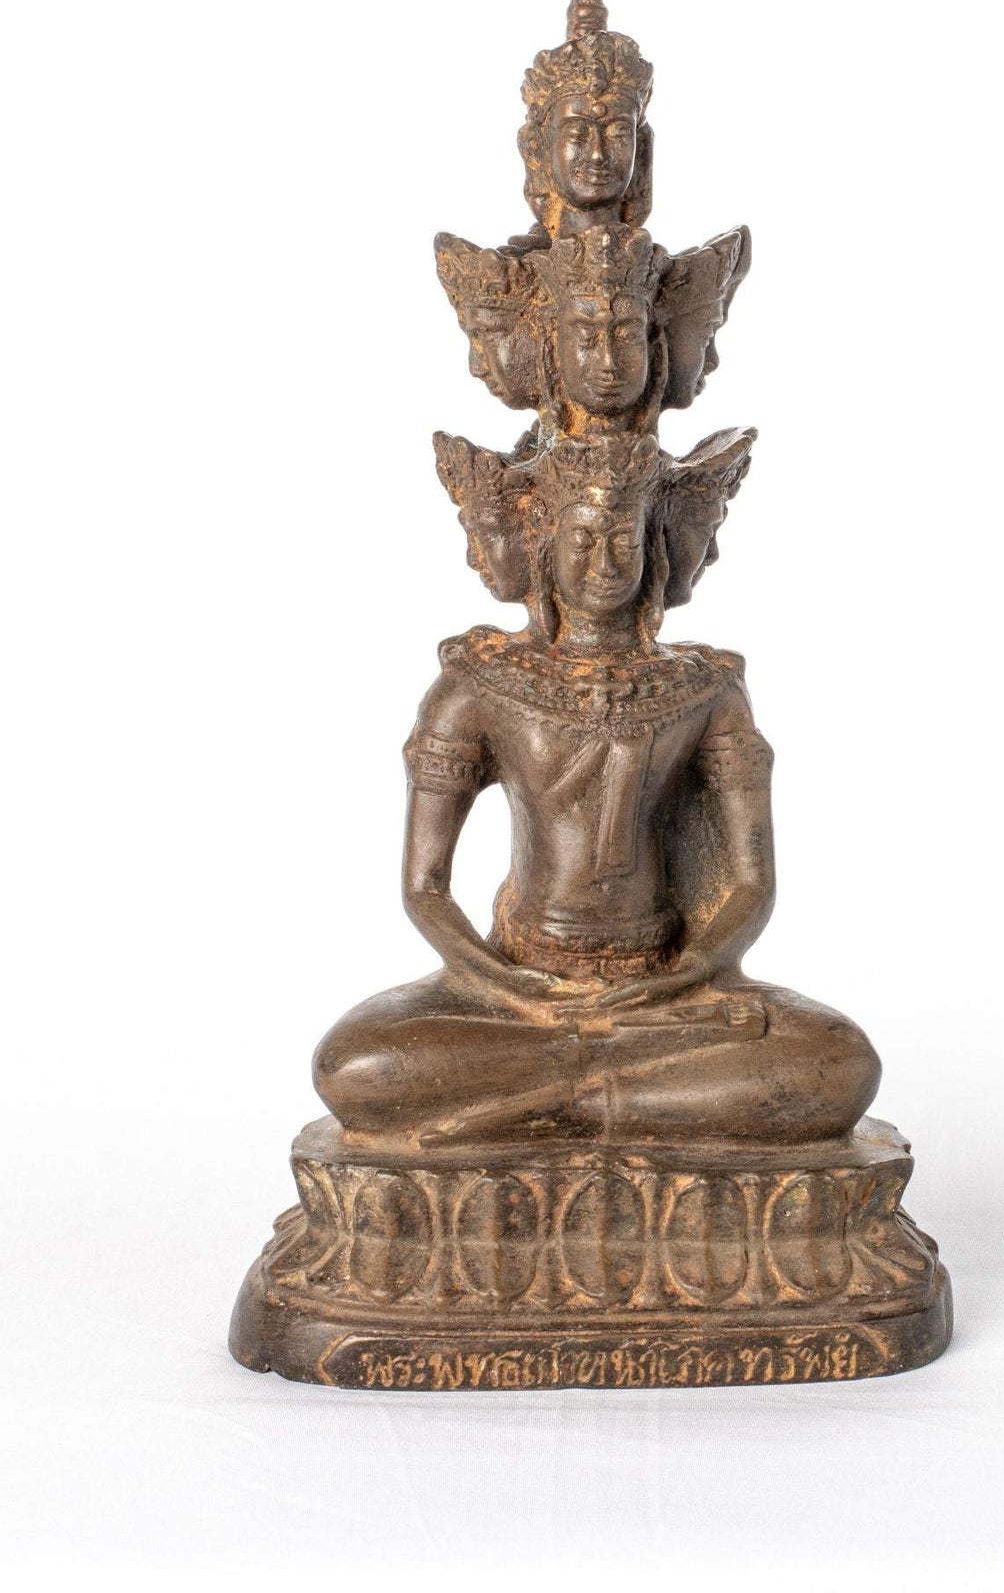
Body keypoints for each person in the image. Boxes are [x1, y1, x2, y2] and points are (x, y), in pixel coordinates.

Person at [314, 432, 880, 1148]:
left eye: (623, 540)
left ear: (654, 549)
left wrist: (684, 976)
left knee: (838, 1063)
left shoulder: (706, 689)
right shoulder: (477, 686)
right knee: (356, 1066)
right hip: (519, 988)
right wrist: (508, 985)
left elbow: (749, 884)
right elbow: (425, 889)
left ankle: (562, 1101)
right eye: (582, 541)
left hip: (664, 988)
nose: (604, 564)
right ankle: (632, 1092)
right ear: (544, 546)